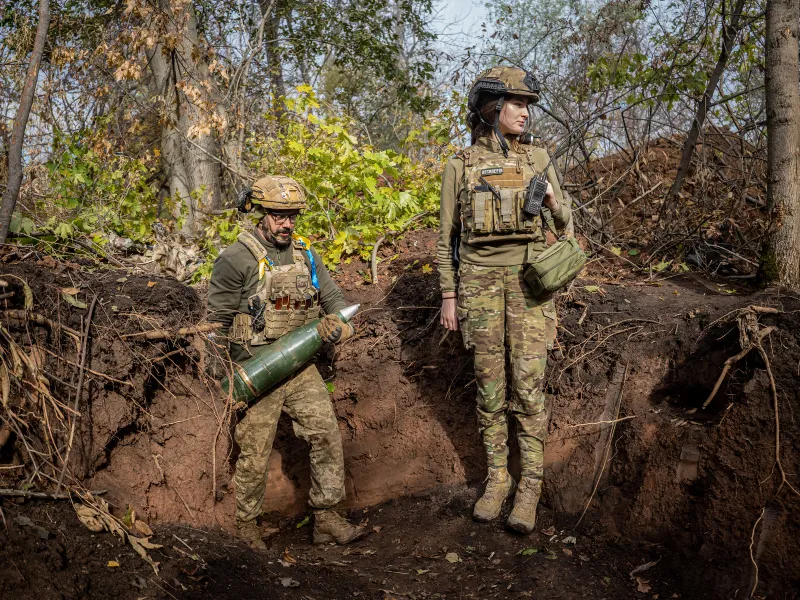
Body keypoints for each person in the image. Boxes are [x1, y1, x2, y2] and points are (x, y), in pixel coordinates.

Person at [437, 67, 572, 533]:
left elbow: (567, 225)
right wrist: (449, 296)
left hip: (530, 287)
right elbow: (446, 240)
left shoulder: (539, 158)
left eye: (527, 104)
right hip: (478, 287)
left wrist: (554, 200)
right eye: (516, 103)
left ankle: (530, 484)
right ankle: (498, 479)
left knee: (528, 389)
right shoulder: (460, 164)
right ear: (492, 109)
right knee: (491, 390)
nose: (525, 112)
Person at [206, 175, 367, 549]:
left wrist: (339, 329)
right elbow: (216, 325)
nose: (287, 223)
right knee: (254, 452)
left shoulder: (306, 254)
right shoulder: (236, 259)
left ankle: (326, 518)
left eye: (292, 215)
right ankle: (246, 527)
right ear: (261, 213)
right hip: (255, 371)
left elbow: (336, 304)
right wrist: (220, 380)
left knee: (326, 435)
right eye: (279, 216)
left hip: (299, 365)